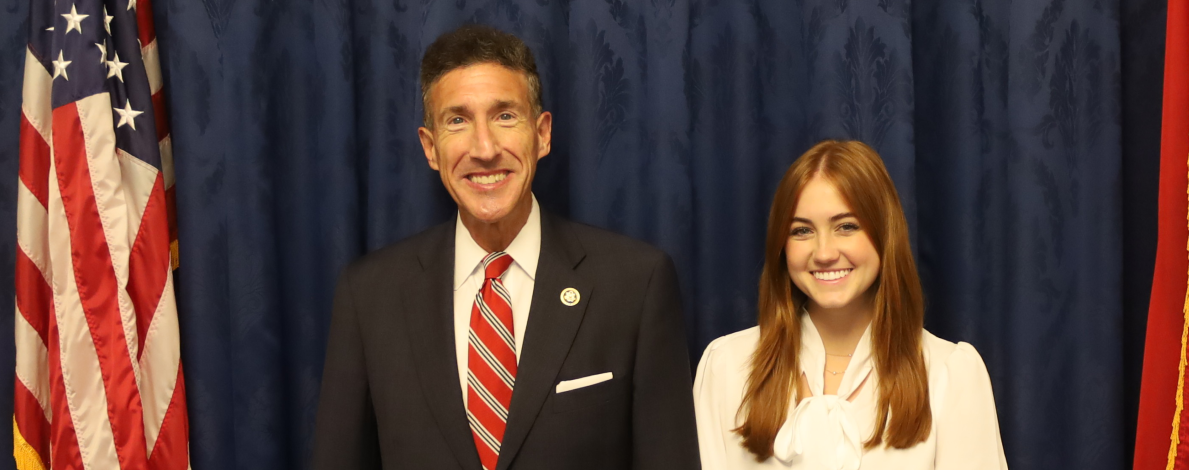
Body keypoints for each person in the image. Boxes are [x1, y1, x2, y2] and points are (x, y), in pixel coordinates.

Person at [312, 25, 698, 470]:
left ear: (543, 133)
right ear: (430, 147)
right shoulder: (369, 296)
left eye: (505, 116)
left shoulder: (636, 284)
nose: (485, 148)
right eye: (457, 120)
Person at [693, 140, 1007, 470]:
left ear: (885, 234)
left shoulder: (949, 374)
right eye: (802, 230)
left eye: (846, 226)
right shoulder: (727, 367)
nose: (825, 252)